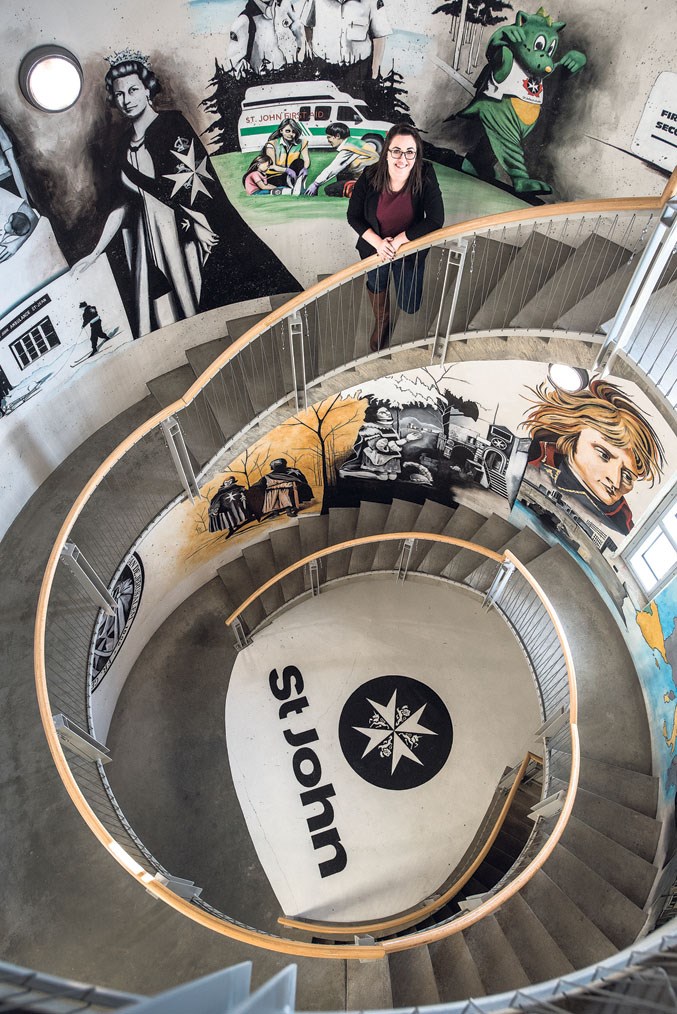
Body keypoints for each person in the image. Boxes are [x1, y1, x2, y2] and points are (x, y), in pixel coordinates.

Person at [73, 53, 299, 338]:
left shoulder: (172, 125)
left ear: (147, 89)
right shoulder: (121, 146)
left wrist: (201, 225)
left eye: (132, 90)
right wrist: (94, 253)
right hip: (151, 242)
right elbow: (120, 205)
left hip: (186, 233)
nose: (126, 99)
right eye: (119, 94)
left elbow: (194, 183)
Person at [522, 379, 665, 535]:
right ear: (574, 436)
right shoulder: (528, 457)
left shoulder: (623, 526)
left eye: (627, 476)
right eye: (604, 455)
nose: (615, 481)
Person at [347, 123, 444, 352]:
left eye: (410, 152)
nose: (403, 158)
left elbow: (435, 219)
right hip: (375, 249)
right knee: (376, 283)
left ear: (416, 154)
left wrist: (399, 241)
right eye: (396, 151)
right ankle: (382, 321)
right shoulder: (370, 175)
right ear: (387, 152)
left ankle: (397, 306)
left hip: (409, 249)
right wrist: (380, 244)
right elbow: (353, 216)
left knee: (409, 305)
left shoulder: (425, 173)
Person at [299, 0, 391, 79]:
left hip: (359, 72)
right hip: (323, 70)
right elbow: (307, 26)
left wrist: (374, 73)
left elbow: (379, 36)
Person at [304, 122, 379, 197]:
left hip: (371, 181)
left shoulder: (349, 147)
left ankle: (356, 190)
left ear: (337, 136)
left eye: (329, 137)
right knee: (342, 173)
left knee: (330, 189)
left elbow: (333, 168)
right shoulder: (353, 142)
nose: (328, 140)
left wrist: (316, 184)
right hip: (371, 177)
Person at [263, 119, 310, 189]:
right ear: (281, 131)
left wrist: (305, 168)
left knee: (299, 162)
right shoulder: (271, 144)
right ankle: (291, 185)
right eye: (287, 131)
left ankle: (297, 184)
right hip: (274, 175)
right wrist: (287, 170)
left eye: (293, 131)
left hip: (292, 174)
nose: (291, 134)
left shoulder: (302, 143)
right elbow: (272, 166)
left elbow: (306, 159)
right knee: (279, 181)